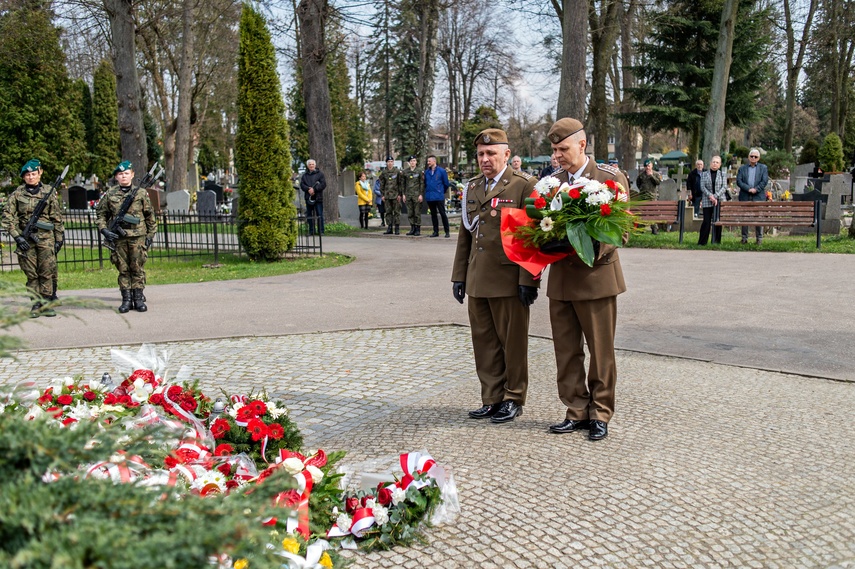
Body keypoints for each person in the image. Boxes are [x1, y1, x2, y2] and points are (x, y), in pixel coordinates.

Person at [541, 117, 629, 441]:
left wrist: (592, 244)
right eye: (554, 150)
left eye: (563, 148)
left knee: (600, 351)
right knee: (566, 351)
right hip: (562, 281)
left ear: (582, 144)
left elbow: (622, 228)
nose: (558, 155)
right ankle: (575, 410)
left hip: (596, 280)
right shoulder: (551, 183)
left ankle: (600, 413)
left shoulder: (608, 178)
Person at [451, 128, 539, 424]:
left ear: (507, 154)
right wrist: (459, 275)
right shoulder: (473, 187)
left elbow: (533, 237)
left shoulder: (524, 186)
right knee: (484, 341)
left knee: (512, 343)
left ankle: (513, 397)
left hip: (509, 280)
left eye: (491, 153)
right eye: (480, 154)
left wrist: (528, 280)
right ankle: (491, 397)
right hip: (478, 278)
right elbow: (466, 236)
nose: (485, 159)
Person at [2, 159, 64, 317]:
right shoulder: (17, 194)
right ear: (24, 177)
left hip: (46, 239)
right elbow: (6, 218)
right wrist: (18, 237)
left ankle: (46, 304)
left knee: (46, 272)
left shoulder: (49, 192)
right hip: (26, 240)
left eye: (33, 174)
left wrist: (59, 239)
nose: (31, 177)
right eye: (27, 175)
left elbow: (56, 218)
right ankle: (35, 304)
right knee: (32, 275)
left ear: (40, 173)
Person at [96, 160, 157, 313]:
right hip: (119, 238)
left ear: (132, 175)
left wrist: (150, 235)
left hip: (138, 237)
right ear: (116, 177)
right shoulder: (110, 194)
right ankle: (126, 299)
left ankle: (138, 298)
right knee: (123, 269)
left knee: (137, 268)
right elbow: (101, 214)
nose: (123, 176)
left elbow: (150, 216)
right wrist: (104, 230)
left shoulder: (141, 193)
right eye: (120, 174)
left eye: (126, 173)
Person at [736, 148, 769, 244]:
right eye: (751, 156)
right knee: (745, 217)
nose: (753, 158)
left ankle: (759, 238)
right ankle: (744, 238)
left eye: (755, 156)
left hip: (758, 196)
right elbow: (739, 181)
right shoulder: (742, 168)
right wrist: (748, 189)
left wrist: (756, 189)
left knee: (758, 217)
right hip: (745, 195)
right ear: (748, 157)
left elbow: (764, 181)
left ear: (758, 158)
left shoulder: (763, 168)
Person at [698, 155, 727, 246]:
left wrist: (715, 196)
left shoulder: (723, 174)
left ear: (720, 164)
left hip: (719, 200)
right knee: (706, 221)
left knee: (717, 221)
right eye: (713, 162)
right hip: (707, 200)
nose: (715, 164)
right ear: (710, 163)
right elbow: (702, 187)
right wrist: (711, 196)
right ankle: (702, 242)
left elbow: (724, 187)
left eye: (717, 162)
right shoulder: (704, 174)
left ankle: (716, 241)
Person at [424, 155, 451, 238]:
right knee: (433, 214)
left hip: (439, 196)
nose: (428, 163)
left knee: (442, 213)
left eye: (429, 161)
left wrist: (441, 190)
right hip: (430, 196)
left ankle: (447, 231)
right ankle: (435, 231)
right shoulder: (426, 172)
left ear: (434, 161)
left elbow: (446, 183)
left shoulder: (441, 171)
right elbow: (425, 183)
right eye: (428, 161)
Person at [300, 159, 327, 235]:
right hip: (308, 197)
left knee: (319, 214)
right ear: (307, 166)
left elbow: (323, 184)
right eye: (310, 164)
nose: (311, 166)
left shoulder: (320, 174)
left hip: (317, 197)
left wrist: (314, 189)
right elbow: (302, 185)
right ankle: (311, 231)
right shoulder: (305, 175)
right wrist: (308, 189)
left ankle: (321, 231)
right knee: (309, 215)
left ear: (315, 165)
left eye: (312, 164)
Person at [635, 160, 662, 233]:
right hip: (643, 196)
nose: (647, 168)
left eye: (648, 166)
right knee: (643, 212)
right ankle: (642, 228)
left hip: (652, 196)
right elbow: (638, 183)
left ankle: (654, 229)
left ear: (652, 166)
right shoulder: (641, 175)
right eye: (646, 166)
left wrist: (651, 176)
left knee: (652, 212)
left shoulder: (656, 174)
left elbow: (658, 182)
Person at [378, 156, 402, 235]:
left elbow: (400, 184)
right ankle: (389, 227)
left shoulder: (397, 171)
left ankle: (397, 228)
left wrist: (400, 194)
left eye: (391, 161)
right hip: (387, 196)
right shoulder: (384, 172)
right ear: (386, 163)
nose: (390, 163)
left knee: (396, 212)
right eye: (388, 162)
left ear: (393, 162)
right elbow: (381, 184)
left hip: (395, 195)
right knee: (388, 212)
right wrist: (382, 195)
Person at [401, 155, 424, 235]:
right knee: (410, 212)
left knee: (417, 212)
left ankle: (418, 229)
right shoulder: (405, 172)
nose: (412, 162)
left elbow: (422, 183)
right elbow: (403, 184)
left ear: (416, 162)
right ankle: (412, 228)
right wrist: (403, 194)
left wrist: (421, 194)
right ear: (409, 162)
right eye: (411, 161)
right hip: (408, 195)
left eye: (414, 161)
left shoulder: (419, 171)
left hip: (417, 195)